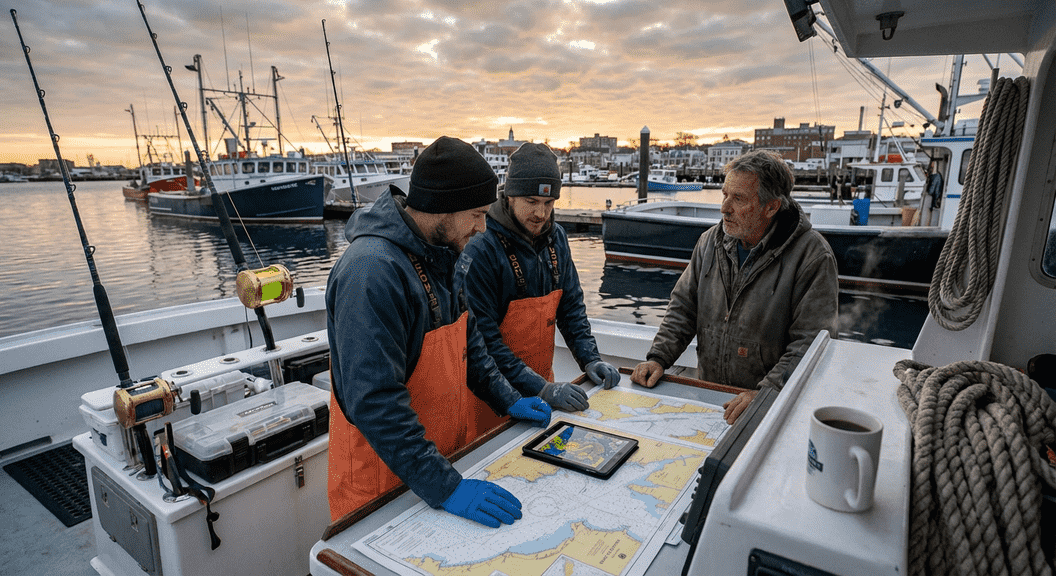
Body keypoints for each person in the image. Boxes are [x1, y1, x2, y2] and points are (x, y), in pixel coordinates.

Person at [326, 136, 553, 527]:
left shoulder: (444, 254)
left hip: (435, 470)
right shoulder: (371, 272)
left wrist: (507, 397)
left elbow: (470, 342)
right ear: (443, 206)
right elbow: (374, 400)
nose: (483, 228)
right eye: (477, 214)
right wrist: (446, 487)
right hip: (381, 487)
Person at [630, 150, 839, 425]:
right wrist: (658, 358)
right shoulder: (709, 243)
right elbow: (683, 308)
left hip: (770, 409)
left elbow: (811, 342)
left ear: (772, 207)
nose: (724, 208)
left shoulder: (812, 257)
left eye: (738, 198)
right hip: (711, 399)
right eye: (724, 194)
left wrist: (767, 393)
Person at [460, 143, 620, 437]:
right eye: (531, 201)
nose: (541, 213)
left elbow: (571, 308)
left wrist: (590, 358)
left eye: (549, 203)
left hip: (544, 390)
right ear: (510, 195)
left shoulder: (557, 238)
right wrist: (542, 389)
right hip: (490, 400)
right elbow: (483, 341)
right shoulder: (482, 246)